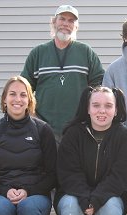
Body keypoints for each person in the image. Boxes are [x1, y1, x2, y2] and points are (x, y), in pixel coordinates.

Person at [0, 76, 57, 215]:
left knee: (28, 208)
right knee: (1, 211)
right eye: (12, 94)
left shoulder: (43, 130)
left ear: (29, 100)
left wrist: (28, 191)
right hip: (1, 195)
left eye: (23, 94)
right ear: (4, 99)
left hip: (36, 196)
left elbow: (53, 176)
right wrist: (4, 191)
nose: (17, 99)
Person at [54, 86, 127, 215]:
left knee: (110, 208)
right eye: (96, 105)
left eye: (108, 106)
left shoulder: (126, 137)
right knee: (71, 208)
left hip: (111, 195)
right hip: (73, 194)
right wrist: (85, 199)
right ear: (88, 108)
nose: (102, 110)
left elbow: (119, 177)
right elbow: (69, 174)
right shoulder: (72, 134)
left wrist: (96, 199)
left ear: (116, 110)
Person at [21, 5, 105, 142]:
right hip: (43, 131)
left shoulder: (86, 52)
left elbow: (99, 88)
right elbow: (23, 90)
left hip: (79, 130)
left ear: (76, 26)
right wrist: (34, 118)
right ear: (54, 22)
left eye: (71, 21)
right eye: (62, 19)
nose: (66, 24)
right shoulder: (38, 53)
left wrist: (87, 118)